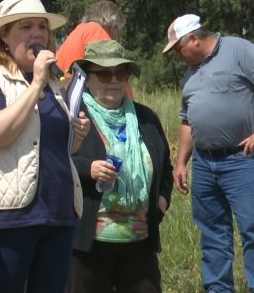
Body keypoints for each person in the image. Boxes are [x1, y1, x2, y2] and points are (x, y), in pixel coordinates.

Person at [0, 0, 90, 293]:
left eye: (42, 27)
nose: (38, 34)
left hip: (58, 212)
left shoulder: (54, 82)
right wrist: (35, 86)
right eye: (26, 26)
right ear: (4, 36)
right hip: (12, 216)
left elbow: (54, 149)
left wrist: (76, 136)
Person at [163, 14, 254, 293]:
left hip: (241, 159)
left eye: (178, 49)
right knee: (212, 233)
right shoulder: (190, 73)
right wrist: (181, 162)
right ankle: (218, 288)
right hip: (205, 163)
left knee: (253, 230)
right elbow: (186, 120)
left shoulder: (238, 49)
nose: (177, 56)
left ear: (193, 39)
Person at [65, 40, 173, 293]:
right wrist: (88, 169)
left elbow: (164, 167)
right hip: (86, 244)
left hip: (139, 240)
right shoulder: (73, 115)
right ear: (87, 78)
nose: (113, 80)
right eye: (103, 73)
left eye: (120, 73)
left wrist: (162, 201)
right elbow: (57, 162)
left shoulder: (146, 118)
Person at [56, 1, 134, 100]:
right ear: (113, 26)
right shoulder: (96, 32)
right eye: (117, 31)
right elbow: (117, 77)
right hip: (81, 104)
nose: (115, 38)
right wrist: (134, 110)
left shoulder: (77, 32)